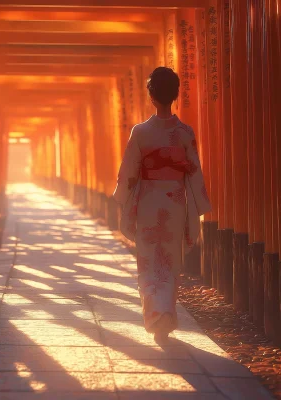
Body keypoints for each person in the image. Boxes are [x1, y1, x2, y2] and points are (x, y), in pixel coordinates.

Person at [113, 67, 212, 342]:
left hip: (148, 200)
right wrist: (198, 208)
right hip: (175, 201)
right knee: (170, 261)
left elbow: (129, 174)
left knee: (148, 261)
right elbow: (193, 171)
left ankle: (156, 315)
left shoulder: (141, 132)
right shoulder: (185, 132)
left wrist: (123, 203)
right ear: (175, 94)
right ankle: (166, 315)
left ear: (151, 96)